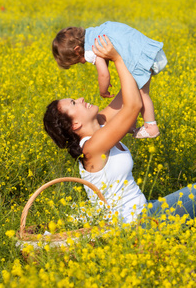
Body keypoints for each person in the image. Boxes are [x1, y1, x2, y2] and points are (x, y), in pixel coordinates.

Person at [45, 35, 195, 225]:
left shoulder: (101, 125)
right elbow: (132, 106)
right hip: (134, 223)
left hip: (144, 210)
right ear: (74, 125)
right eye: (74, 103)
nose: (81, 99)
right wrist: (117, 59)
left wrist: (141, 62)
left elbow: (128, 92)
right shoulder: (92, 148)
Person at [52, 21, 168, 139]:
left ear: (77, 50)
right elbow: (105, 56)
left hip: (143, 59)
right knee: (134, 89)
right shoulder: (93, 34)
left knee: (142, 93)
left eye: (77, 61)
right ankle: (131, 124)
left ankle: (151, 127)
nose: (82, 62)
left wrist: (103, 90)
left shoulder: (90, 49)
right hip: (150, 50)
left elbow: (103, 75)